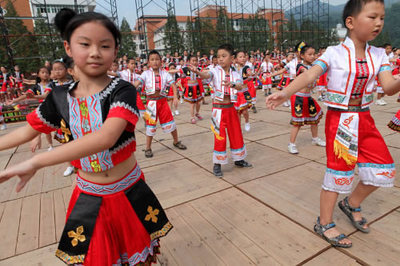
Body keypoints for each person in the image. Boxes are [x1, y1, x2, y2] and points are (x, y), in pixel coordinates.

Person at [0, 8, 172, 265]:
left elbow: (106, 138)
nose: (94, 52)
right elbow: (28, 130)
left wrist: (36, 162)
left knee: (138, 258)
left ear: (115, 52)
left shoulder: (121, 91)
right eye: (85, 44)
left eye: (104, 45)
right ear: (69, 48)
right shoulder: (58, 97)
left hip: (128, 191)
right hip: (89, 194)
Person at [266, 0, 399, 248]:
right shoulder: (333, 53)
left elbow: (389, 87)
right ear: (350, 22)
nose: (379, 23)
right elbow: (309, 75)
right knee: (340, 172)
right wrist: (285, 93)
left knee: (383, 168)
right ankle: (324, 222)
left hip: (365, 118)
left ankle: (352, 203)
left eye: (381, 18)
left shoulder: (379, 54)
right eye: (372, 17)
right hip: (341, 121)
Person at [190, 44, 252, 177]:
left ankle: (239, 159)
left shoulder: (236, 73)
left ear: (232, 58)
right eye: (218, 57)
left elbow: (241, 86)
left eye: (224, 56)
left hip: (231, 108)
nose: (221, 59)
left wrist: (234, 85)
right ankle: (217, 164)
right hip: (218, 110)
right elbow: (206, 75)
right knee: (220, 137)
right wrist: (197, 72)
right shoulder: (215, 71)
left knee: (236, 134)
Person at [133, 50, 187, 158]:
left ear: (161, 61)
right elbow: (136, 84)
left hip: (163, 102)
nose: (155, 62)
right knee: (150, 125)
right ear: (148, 62)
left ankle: (176, 141)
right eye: (152, 59)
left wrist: (175, 97)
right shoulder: (145, 74)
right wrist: (127, 91)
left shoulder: (165, 73)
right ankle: (148, 148)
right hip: (151, 104)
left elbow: (173, 85)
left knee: (171, 123)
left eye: (157, 59)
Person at [287, 44, 325, 154]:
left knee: (314, 120)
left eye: (314, 54)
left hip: (308, 97)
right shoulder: (300, 66)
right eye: (309, 54)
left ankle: (315, 138)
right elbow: (306, 73)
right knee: (297, 123)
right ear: (302, 55)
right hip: (298, 97)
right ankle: (291, 144)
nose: (312, 56)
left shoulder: (314, 66)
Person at [234, 51, 254, 132]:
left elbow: (249, 72)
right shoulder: (233, 68)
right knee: (238, 112)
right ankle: (238, 127)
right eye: (240, 57)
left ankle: (247, 121)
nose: (243, 58)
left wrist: (250, 74)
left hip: (244, 92)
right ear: (236, 59)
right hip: (236, 93)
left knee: (245, 111)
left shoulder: (246, 67)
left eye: (244, 57)